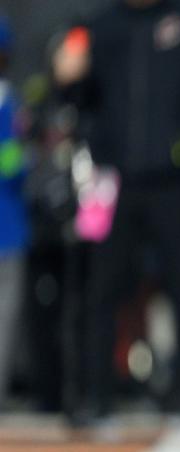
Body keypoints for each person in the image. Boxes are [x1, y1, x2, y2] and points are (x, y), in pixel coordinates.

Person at [54, 0, 180, 421]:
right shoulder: (100, 25)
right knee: (102, 288)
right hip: (112, 180)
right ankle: (96, 395)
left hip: (172, 181)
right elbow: (78, 99)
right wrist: (66, 77)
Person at [0, 16, 26, 409]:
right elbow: (12, 164)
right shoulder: (11, 105)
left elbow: (13, 165)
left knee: (6, 317)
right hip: (10, 227)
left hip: (10, 227)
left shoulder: (11, 103)